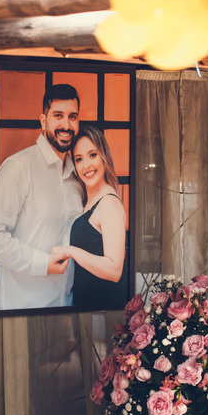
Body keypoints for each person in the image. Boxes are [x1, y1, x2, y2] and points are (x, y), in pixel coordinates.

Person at [0, 83, 84, 310]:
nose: (66, 124)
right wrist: (44, 264)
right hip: (22, 307)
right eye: (58, 116)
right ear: (43, 121)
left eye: (72, 116)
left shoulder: (78, 174)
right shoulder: (18, 167)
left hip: (66, 303)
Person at [50, 126, 128, 310]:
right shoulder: (88, 200)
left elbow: (114, 270)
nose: (86, 165)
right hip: (87, 309)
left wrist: (71, 251)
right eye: (79, 159)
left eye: (92, 155)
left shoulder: (108, 203)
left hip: (103, 310)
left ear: (104, 157)